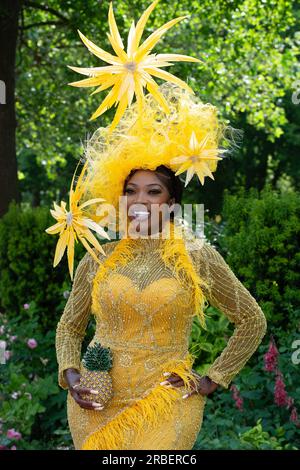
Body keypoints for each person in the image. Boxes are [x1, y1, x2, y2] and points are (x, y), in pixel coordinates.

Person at [48, 1, 268, 450]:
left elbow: (250, 320)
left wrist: (212, 379)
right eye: (132, 191)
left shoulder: (197, 256)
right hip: (96, 403)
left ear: (171, 204)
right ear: (119, 197)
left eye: (154, 192)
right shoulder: (99, 257)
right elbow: (70, 327)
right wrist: (71, 373)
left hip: (167, 403)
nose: (140, 201)